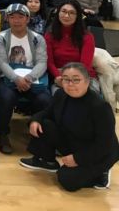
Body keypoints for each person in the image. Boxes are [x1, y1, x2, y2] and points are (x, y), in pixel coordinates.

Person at [19, 62, 119, 192]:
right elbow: (47, 112)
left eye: (76, 80)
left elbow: (104, 144)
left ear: (87, 81)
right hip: (75, 141)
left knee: (67, 179)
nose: (70, 84)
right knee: (43, 123)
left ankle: (101, 173)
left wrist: (77, 159)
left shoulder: (100, 107)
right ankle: (47, 161)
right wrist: (35, 120)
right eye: (66, 79)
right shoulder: (61, 95)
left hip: (99, 152)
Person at [0, 4, 51, 154]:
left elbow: (42, 62)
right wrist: (16, 79)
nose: (16, 20)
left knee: (44, 99)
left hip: (32, 78)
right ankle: (2, 134)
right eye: (12, 17)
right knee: (6, 97)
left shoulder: (38, 38)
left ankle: (38, 134)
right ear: (7, 19)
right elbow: (1, 63)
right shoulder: (0, 38)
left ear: (28, 19)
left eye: (20, 17)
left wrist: (29, 78)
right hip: (7, 77)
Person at [45, 0, 99, 93]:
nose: (66, 16)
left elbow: (85, 65)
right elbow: (50, 63)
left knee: (87, 97)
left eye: (71, 13)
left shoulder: (87, 36)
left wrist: (73, 80)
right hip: (60, 76)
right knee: (60, 96)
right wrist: (59, 77)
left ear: (78, 16)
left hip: (84, 75)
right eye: (64, 11)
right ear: (58, 13)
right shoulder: (49, 35)